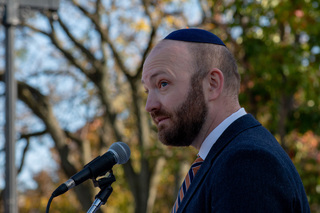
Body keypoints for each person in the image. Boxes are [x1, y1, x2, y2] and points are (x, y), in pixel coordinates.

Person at [141, 28, 310, 213]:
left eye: (163, 83)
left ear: (212, 83)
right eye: (147, 91)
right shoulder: (224, 157)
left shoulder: (247, 162)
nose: (150, 105)